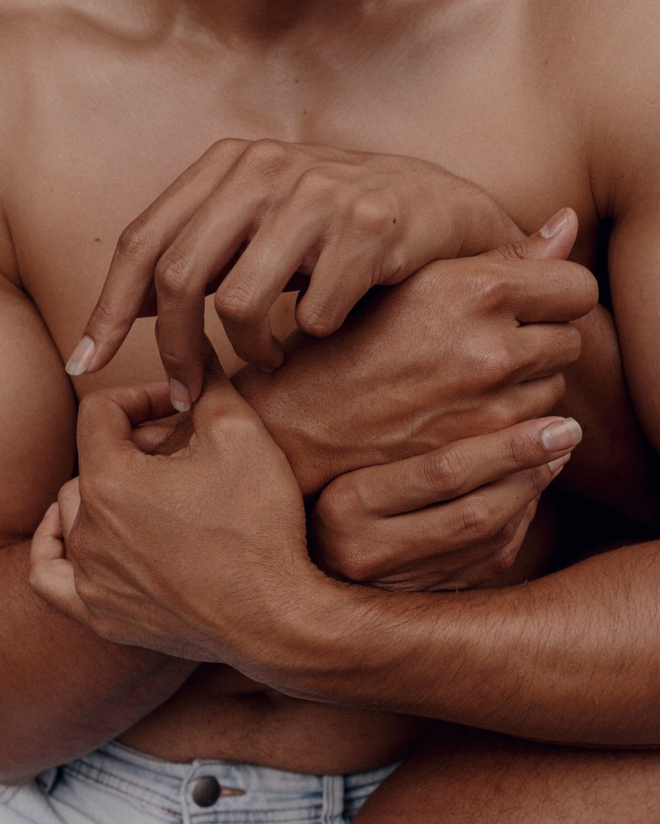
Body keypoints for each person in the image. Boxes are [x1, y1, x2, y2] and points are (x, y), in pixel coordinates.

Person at [2, 0, 660, 821]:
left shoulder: (616, 47)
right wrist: (294, 440)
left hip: (503, 769)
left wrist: (491, 262)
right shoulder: (18, 77)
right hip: (87, 790)